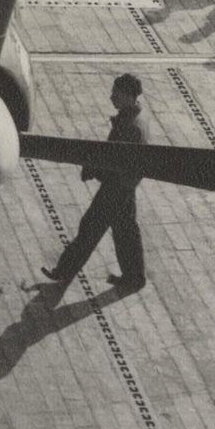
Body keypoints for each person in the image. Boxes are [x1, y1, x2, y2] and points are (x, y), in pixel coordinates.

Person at [35, 73, 148, 304]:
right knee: (126, 230)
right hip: (125, 185)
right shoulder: (135, 117)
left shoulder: (130, 127)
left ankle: (63, 272)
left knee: (90, 228)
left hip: (117, 187)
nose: (111, 97)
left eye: (115, 93)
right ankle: (134, 278)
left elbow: (115, 161)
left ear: (127, 96)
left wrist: (93, 169)